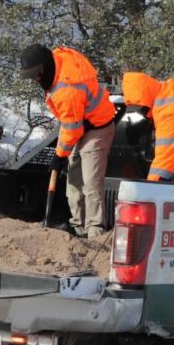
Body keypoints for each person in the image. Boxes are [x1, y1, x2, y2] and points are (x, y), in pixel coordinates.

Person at [20, 44, 116, 237]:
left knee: (91, 182)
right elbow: (70, 123)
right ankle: (78, 228)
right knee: (73, 180)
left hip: (98, 128)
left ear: (44, 67)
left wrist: (59, 155)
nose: (34, 80)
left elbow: (73, 128)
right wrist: (62, 155)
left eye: (35, 75)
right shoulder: (55, 61)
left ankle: (95, 231)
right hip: (77, 122)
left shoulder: (67, 89)